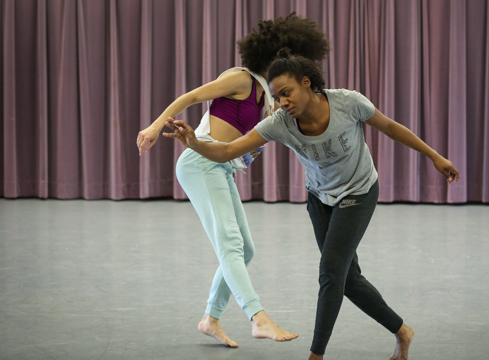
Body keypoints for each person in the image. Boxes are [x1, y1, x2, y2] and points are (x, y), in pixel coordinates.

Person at [162, 49, 460, 360]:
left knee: (331, 271)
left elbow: (390, 128)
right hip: (320, 198)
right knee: (348, 280)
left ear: (307, 83)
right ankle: (402, 331)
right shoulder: (280, 123)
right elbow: (228, 151)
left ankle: (316, 356)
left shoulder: (348, 102)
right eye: (276, 97)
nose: (281, 103)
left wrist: (435, 156)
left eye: (287, 93)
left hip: (358, 192)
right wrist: (195, 143)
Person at [136, 16, 329, 348]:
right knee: (230, 245)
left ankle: (210, 318)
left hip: (219, 169)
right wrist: (155, 126)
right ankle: (258, 317)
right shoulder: (241, 79)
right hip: (200, 164)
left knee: (246, 250)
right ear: (275, 56)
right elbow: (191, 96)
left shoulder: (269, 98)